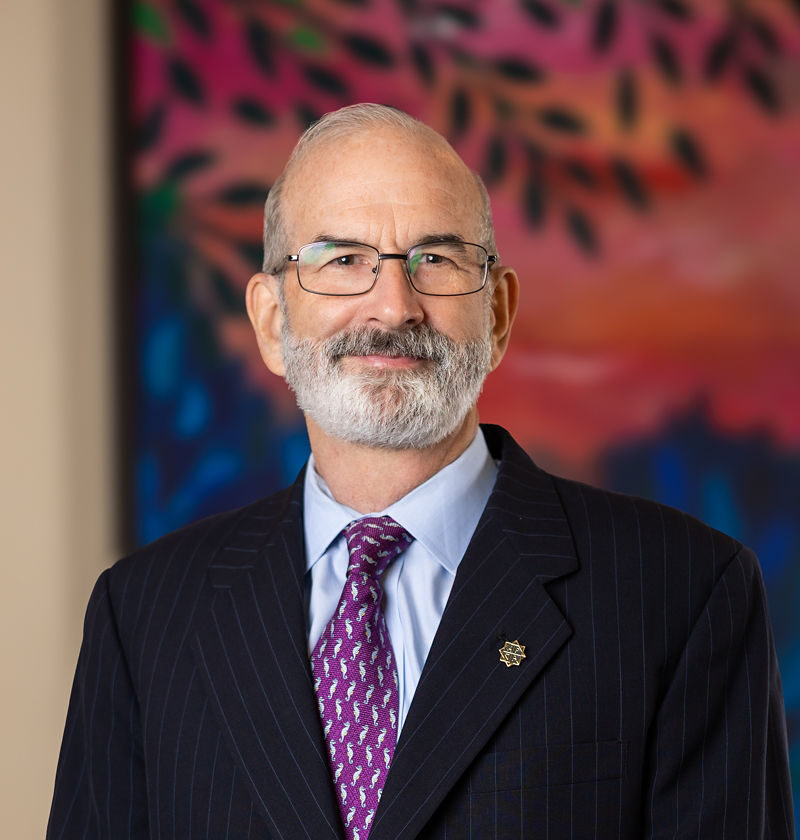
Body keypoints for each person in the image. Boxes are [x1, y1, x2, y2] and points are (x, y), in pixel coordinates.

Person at [48, 103, 794, 839]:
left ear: (497, 314)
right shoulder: (142, 616)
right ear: (273, 321)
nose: (393, 306)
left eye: (435, 260)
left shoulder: (684, 592)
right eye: (343, 260)